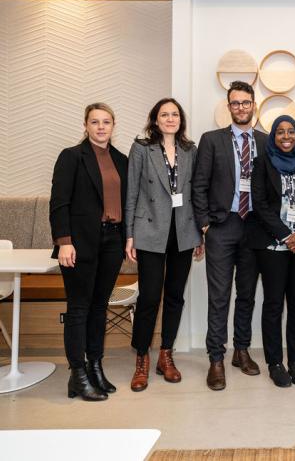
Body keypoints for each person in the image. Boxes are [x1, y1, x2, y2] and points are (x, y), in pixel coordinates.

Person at [192, 81, 268, 391]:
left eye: (245, 102)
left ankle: (241, 350)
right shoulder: (211, 140)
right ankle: (216, 359)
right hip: (222, 227)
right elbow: (199, 185)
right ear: (229, 107)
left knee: (247, 294)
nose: (240, 107)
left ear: (253, 105)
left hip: (253, 228)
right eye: (235, 103)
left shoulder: (265, 141)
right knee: (219, 296)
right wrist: (205, 225)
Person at [125, 98, 204, 392]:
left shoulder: (189, 150)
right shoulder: (142, 149)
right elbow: (131, 192)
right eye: (164, 114)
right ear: (155, 120)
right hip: (149, 231)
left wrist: (199, 234)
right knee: (148, 297)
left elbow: (197, 194)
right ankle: (142, 358)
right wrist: (129, 235)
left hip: (183, 232)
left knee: (175, 296)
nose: (170, 119)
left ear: (180, 120)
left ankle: (166, 355)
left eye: (174, 114)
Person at [50, 103, 128, 401]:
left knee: (99, 307)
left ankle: (95, 366)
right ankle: (77, 374)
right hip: (79, 243)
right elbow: (59, 202)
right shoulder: (71, 157)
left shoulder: (120, 159)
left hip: (112, 242)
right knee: (79, 308)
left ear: (113, 125)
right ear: (85, 125)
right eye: (94, 122)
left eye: (106, 122)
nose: (100, 127)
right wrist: (64, 241)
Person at [249, 115, 295, 388]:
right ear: (273, 137)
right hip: (272, 245)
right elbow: (260, 204)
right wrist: (284, 235)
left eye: (291, 131)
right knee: (274, 303)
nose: (286, 136)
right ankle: (275, 363)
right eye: (280, 132)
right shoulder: (261, 163)